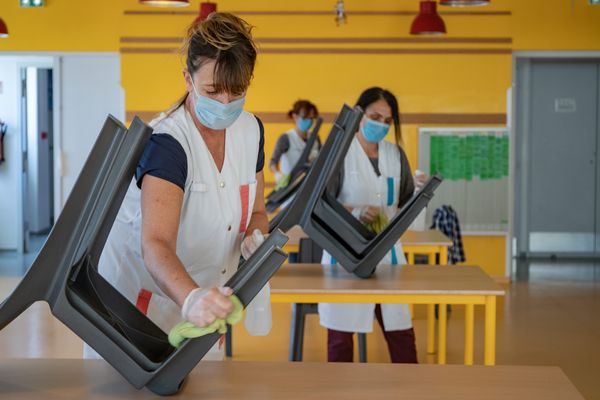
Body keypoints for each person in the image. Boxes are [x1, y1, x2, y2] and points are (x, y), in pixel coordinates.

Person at [84, 12, 270, 359]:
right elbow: (156, 243)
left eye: (238, 91)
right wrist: (192, 296)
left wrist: (255, 239)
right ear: (188, 78)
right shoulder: (168, 143)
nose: (225, 104)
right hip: (140, 302)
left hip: (206, 301)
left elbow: (257, 211)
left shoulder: (251, 131)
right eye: (213, 91)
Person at [319, 87, 418, 363]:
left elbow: (407, 201)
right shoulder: (340, 151)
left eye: (388, 121)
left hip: (388, 256)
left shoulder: (395, 155)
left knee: (401, 334)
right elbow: (320, 204)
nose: (382, 125)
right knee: (340, 340)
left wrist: (421, 191)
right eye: (376, 117)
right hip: (345, 256)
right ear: (360, 113)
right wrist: (355, 211)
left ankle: (410, 390)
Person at [269, 100, 320, 185]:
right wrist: (278, 175)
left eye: (311, 118)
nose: (309, 121)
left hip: (310, 186)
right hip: (290, 187)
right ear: (295, 116)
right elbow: (273, 162)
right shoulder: (286, 138)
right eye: (305, 118)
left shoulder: (315, 138)